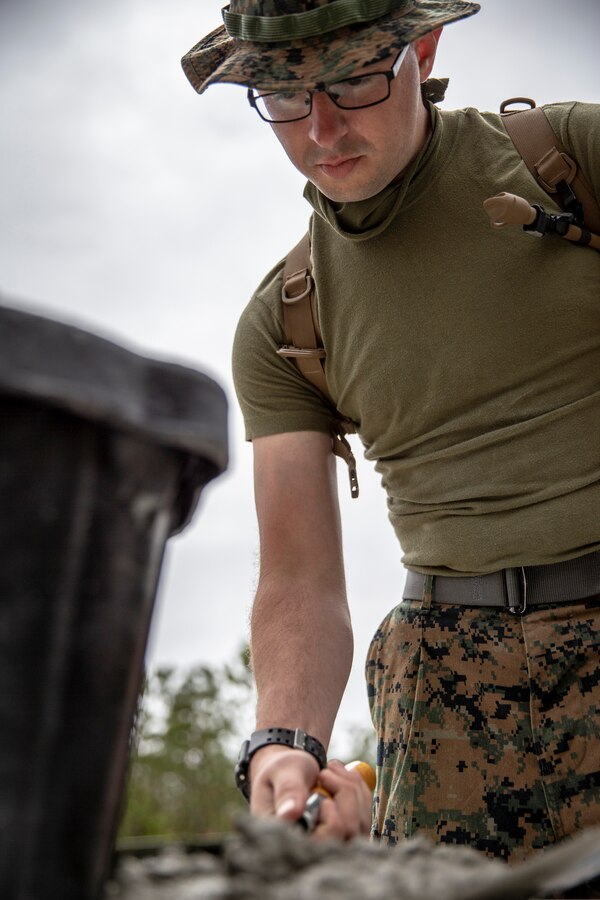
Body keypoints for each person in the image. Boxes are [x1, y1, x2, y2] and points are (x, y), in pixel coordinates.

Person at [181, 0, 600, 865]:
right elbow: (299, 577)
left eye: (351, 80)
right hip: (441, 691)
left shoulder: (572, 162)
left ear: (424, 46)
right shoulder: (284, 323)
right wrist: (285, 739)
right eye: (286, 96)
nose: (322, 127)